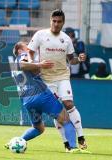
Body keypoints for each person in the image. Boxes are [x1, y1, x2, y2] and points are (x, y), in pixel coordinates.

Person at [27, 9, 87, 151]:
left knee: (68, 103)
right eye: (54, 21)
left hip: (62, 77)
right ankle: (66, 143)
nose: (56, 24)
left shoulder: (66, 39)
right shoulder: (40, 35)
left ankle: (81, 137)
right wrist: (33, 64)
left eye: (59, 22)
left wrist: (79, 59)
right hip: (46, 79)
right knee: (57, 111)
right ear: (50, 21)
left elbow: (71, 60)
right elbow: (30, 51)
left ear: (63, 23)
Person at [6, 42, 78, 152]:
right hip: (41, 95)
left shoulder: (13, 69)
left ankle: (16, 142)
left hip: (27, 100)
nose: (29, 47)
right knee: (66, 120)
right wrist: (40, 65)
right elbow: (23, 64)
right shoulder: (23, 56)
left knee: (38, 128)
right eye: (26, 46)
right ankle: (73, 148)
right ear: (20, 51)